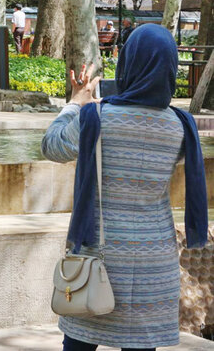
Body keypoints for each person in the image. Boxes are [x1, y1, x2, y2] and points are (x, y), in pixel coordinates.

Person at [41, 24, 208, 351]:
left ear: (128, 63)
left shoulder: (96, 117)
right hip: (154, 266)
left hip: (97, 260)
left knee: (79, 344)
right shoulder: (181, 126)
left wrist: (76, 102)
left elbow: (51, 147)